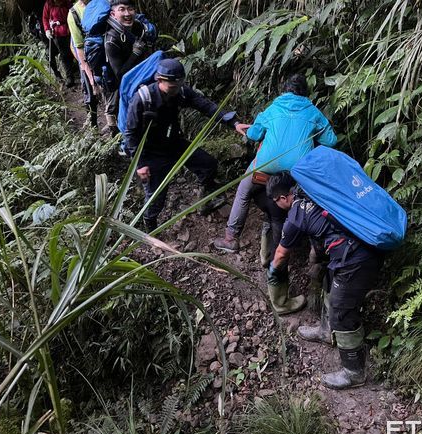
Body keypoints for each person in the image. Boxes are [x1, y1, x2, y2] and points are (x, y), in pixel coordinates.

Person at [266, 172, 384, 389]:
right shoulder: (312, 192)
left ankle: (354, 372)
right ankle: (326, 332)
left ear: (282, 198)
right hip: (354, 248)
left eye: (275, 201)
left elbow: (281, 254)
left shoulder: (295, 216)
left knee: (342, 310)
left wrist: (272, 271)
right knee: (329, 284)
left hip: (356, 257)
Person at [213, 74, 337, 260]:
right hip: (297, 170)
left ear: (285, 90)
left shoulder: (274, 108)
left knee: (243, 191)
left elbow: (254, 134)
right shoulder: (313, 112)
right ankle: (317, 250)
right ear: (305, 92)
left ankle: (231, 238)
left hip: (266, 166)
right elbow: (331, 140)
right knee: (310, 201)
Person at [123, 58, 250, 231]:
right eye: (172, 87)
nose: (176, 90)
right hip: (151, 153)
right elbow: (130, 133)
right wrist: (140, 164)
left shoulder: (180, 91)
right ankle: (149, 231)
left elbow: (205, 106)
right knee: (156, 197)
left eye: (179, 85)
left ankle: (203, 199)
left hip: (174, 142)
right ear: (158, 80)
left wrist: (233, 122)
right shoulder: (142, 99)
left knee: (208, 164)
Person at [102, 0, 151, 135]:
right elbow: (120, 74)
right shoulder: (111, 39)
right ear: (113, 14)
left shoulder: (138, 28)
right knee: (125, 118)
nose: (127, 13)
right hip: (120, 83)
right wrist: (135, 53)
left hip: (142, 77)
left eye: (130, 9)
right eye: (122, 9)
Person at [67, 0, 99, 128]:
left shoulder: (102, 4)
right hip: (85, 58)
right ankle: (93, 124)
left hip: (105, 55)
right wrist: (89, 73)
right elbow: (77, 46)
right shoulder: (73, 14)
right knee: (90, 93)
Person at [42, 0, 76, 87]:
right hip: (57, 33)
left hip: (69, 30)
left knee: (72, 52)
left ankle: (74, 71)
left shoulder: (67, 2)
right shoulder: (49, 4)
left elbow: (73, 12)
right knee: (64, 54)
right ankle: (70, 77)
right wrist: (47, 30)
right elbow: (45, 18)